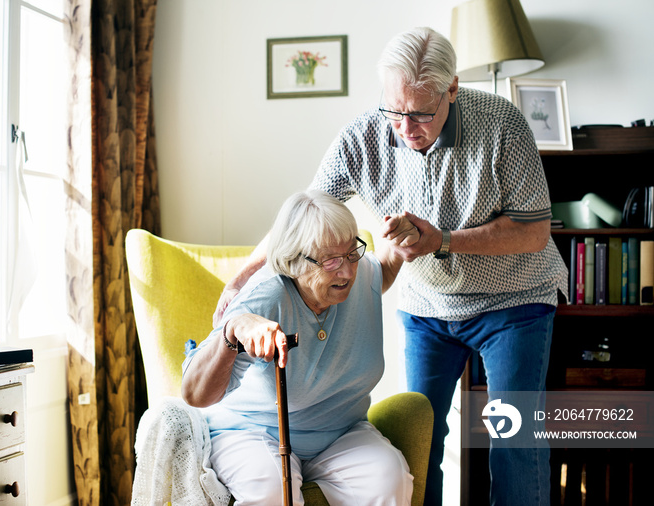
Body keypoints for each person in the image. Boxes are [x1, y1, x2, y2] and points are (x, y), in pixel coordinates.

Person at [214, 27, 568, 505]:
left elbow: (534, 230)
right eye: (395, 110)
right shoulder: (362, 137)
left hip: (514, 299)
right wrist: (240, 277)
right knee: (421, 440)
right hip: (428, 305)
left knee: (512, 438)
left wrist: (441, 239)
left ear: (453, 90)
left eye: (421, 113)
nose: (405, 127)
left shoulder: (502, 124)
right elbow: (301, 218)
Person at [183, 189, 418, 506]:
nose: (347, 271)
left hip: (340, 432)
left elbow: (381, 273)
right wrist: (234, 331)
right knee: (271, 493)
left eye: (351, 253)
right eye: (331, 261)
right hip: (253, 431)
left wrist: (401, 242)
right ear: (293, 262)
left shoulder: (360, 274)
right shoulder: (265, 298)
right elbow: (194, 394)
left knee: (389, 480)